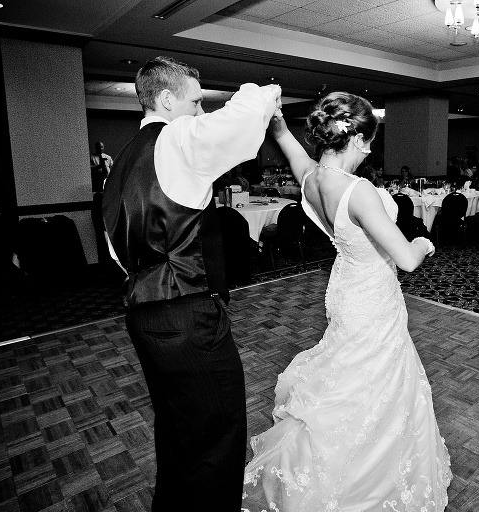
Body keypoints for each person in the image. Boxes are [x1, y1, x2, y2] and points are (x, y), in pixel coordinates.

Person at [243, 92, 451, 510]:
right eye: (370, 141)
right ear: (355, 138)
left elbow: (287, 143)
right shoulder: (359, 192)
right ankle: (364, 478)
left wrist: (279, 126)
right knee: (378, 380)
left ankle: (344, 459)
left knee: (350, 373)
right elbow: (407, 260)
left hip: (344, 290)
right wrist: (425, 242)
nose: (371, 150)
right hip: (371, 295)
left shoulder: (313, 179)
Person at [101, 56, 281, 511]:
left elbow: (117, 254)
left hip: (143, 315)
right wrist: (268, 93)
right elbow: (242, 120)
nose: (201, 112)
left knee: (178, 435)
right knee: (217, 443)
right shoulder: (176, 138)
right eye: (196, 101)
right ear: (166, 99)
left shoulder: (119, 166)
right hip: (188, 317)